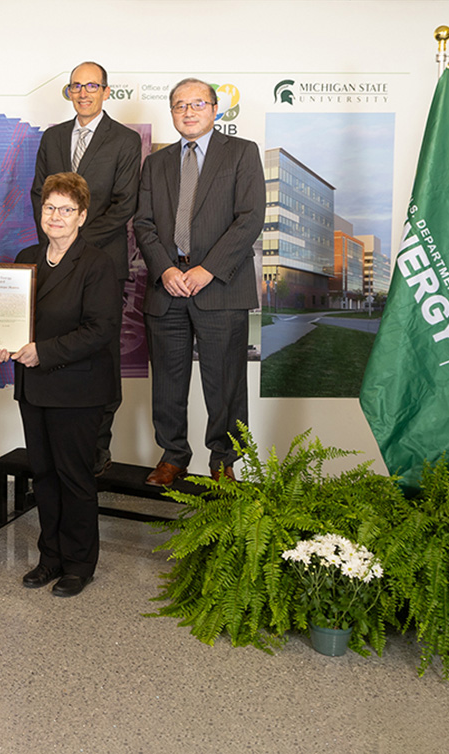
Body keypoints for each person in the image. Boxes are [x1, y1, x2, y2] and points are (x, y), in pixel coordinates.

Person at [0, 172, 120, 597]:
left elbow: (100, 330)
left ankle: (80, 563)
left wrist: (43, 351)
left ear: (82, 216)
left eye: (66, 209)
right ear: (40, 212)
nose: (57, 216)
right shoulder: (27, 257)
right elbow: (11, 320)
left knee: (74, 478)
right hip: (35, 388)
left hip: (77, 390)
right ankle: (50, 558)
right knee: (43, 475)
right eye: (50, 208)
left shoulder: (98, 264)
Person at [134, 77, 264, 487]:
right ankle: (173, 456)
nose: (188, 112)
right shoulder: (156, 163)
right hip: (167, 287)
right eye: (179, 105)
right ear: (171, 112)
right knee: (168, 383)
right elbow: (144, 223)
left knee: (224, 381)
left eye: (197, 104)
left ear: (214, 109)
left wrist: (207, 270)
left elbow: (249, 219)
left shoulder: (241, 153)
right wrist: (167, 270)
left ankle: (222, 461)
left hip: (220, 287)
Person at [31, 61, 140, 477]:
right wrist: (57, 244)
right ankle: (55, 440)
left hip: (101, 263)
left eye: (92, 85)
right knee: (54, 343)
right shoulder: (53, 137)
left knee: (100, 354)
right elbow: (37, 193)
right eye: (76, 86)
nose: (83, 92)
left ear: (106, 91)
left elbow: (124, 204)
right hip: (53, 262)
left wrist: (77, 246)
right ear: (69, 92)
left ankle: (98, 446)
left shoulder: (125, 140)